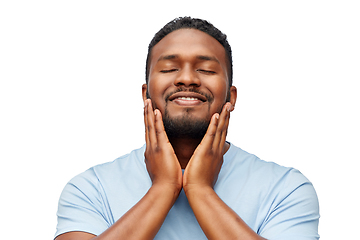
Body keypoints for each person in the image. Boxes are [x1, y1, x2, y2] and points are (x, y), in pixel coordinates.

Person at [55, 17, 320, 240]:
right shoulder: (90, 189)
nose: (187, 79)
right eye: (170, 68)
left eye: (205, 69)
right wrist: (164, 188)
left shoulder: (286, 188)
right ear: (145, 94)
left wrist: (200, 190)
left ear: (231, 96)